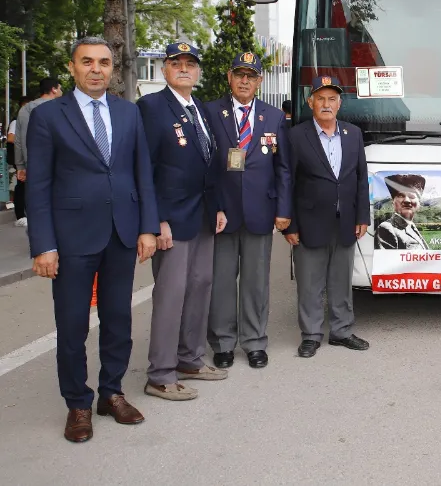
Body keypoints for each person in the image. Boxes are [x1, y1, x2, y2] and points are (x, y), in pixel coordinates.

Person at [25, 36, 158, 443]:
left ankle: (111, 393)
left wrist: (147, 227)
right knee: (72, 326)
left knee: (118, 320)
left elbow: (142, 173)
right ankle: (78, 403)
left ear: (112, 68)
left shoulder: (128, 113)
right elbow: (39, 186)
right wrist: (43, 245)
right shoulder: (48, 116)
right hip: (71, 239)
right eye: (87, 61)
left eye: (104, 62)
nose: (96, 68)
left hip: (121, 233)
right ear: (72, 68)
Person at [138, 42, 228, 402]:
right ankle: (160, 374)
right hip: (171, 220)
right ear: (165, 69)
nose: (184, 68)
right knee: (171, 295)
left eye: (191, 63)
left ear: (199, 71)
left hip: (203, 215)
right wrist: (155, 219)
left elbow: (210, 165)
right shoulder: (152, 107)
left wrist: (218, 206)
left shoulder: (200, 109)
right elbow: (144, 168)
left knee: (199, 287)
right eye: (177, 63)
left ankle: (189, 358)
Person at [205, 52, 291, 370]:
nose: (245, 81)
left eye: (251, 76)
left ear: (259, 81)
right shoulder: (212, 112)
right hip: (222, 214)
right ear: (229, 77)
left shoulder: (274, 117)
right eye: (239, 74)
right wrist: (213, 206)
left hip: (260, 211)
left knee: (256, 282)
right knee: (222, 281)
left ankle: (255, 342)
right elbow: (205, 165)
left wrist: (283, 210)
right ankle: (223, 342)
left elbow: (283, 169)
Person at [284, 76, 370, 358]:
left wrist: (362, 216)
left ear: (340, 104)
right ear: (310, 102)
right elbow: (288, 182)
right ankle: (310, 335)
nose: (326, 104)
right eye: (320, 98)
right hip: (309, 222)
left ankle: (342, 331)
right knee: (310, 283)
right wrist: (290, 224)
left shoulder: (353, 134)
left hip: (344, 220)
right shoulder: (296, 136)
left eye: (332, 99)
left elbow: (360, 180)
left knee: (341, 281)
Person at [14, 78, 63, 227]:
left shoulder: (25, 109)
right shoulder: (60, 108)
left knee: (37, 202)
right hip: (60, 163)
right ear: (53, 89)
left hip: (33, 163)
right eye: (59, 88)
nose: (61, 91)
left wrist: (20, 165)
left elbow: (18, 139)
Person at [375, 174, 430, 250]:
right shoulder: (387, 228)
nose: (407, 200)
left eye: (411, 196)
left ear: (419, 204)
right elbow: (386, 260)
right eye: (401, 196)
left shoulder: (411, 227)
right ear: (393, 202)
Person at [8, 95, 29, 216]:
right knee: (22, 185)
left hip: (24, 156)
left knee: (26, 185)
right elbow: (11, 138)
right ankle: (20, 214)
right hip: (19, 157)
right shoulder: (16, 122)